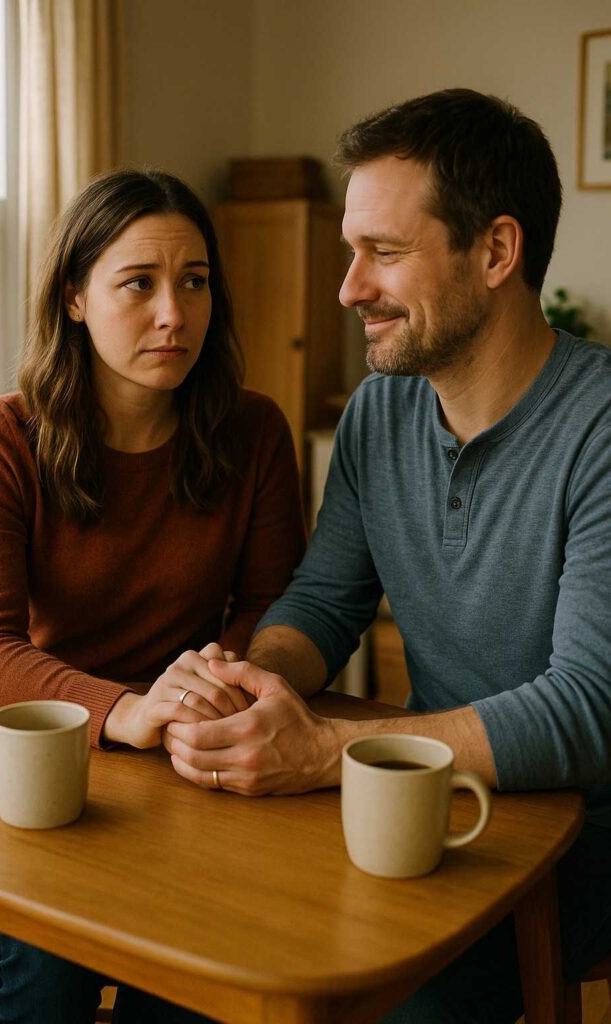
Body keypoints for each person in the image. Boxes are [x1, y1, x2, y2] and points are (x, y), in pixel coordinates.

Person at [162, 90, 611, 1023]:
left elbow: (586, 711)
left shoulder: (599, 425)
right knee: (212, 932)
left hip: (579, 841)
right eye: (348, 251)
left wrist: (325, 751)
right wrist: (251, 682)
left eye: (385, 252)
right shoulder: (380, 411)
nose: (347, 287)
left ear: (494, 251)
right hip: (432, 810)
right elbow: (325, 601)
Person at [0, 168, 305, 1023]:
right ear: (74, 297)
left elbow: (273, 604)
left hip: (191, 760)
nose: (173, 314)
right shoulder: (0, 440)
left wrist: (220, 680)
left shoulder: (252, 429)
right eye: (138, 284)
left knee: (197, 973)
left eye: (194, 281)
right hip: (43, 762)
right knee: (51, 979)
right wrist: (126, 711)